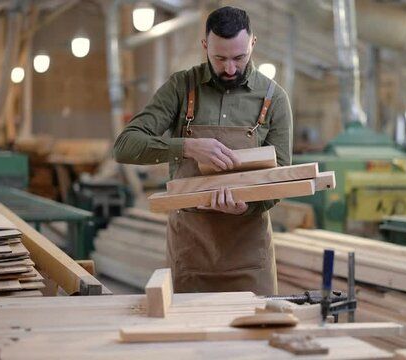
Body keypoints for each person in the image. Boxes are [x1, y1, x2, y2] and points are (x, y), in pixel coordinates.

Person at [113, 6, 293, 295]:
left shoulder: (275, 99)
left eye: (239, 57)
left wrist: (246, 205)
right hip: (190, 252)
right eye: (219, 58)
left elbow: (281, 179)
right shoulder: (181, 87)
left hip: (248, 256)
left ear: (253, 44)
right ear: (205, 45)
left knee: (253, 336)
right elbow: (124, 146)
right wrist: (186, 146)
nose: (230, 69)